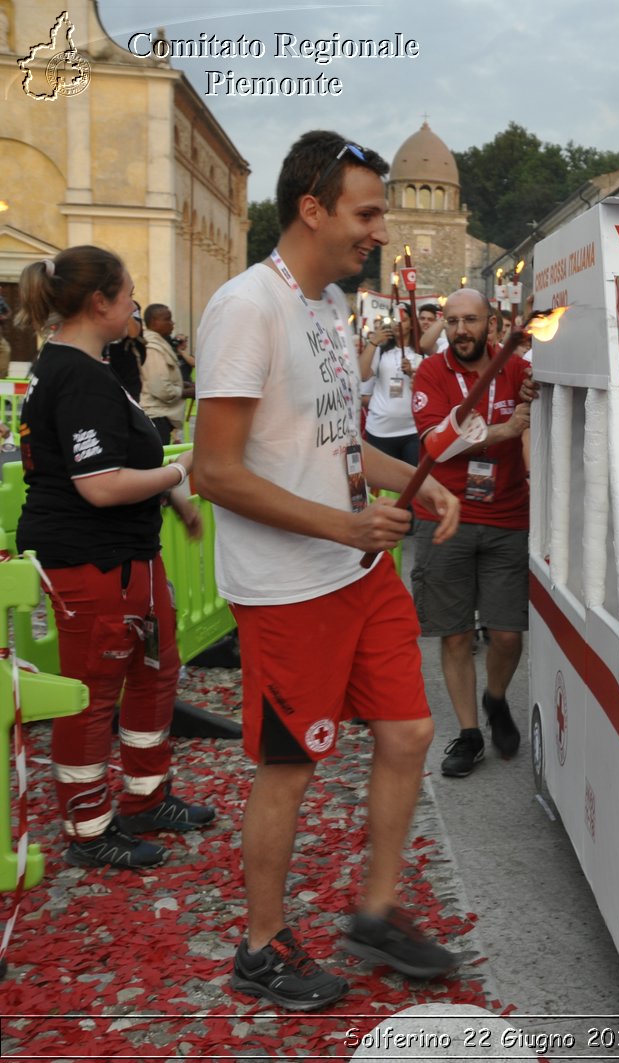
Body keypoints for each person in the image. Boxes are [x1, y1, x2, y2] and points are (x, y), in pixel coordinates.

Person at [192, 130, 463, 1011]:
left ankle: (376, 910)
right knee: (291, 765)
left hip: (357, 573)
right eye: (367, 212)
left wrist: (413, 488)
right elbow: (215, 472)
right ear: (312, 209)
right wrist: (348, 524)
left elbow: (336, 446)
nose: (380, 230)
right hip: (289, 589)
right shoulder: (248, 307)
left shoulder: (327, 307)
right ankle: (260, 945)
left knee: (410, 732)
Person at [14, 247, 212, 870]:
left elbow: (128, 462)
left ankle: (146, 797)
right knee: (95, 693)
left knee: (154, 672)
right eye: (128, 294)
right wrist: (182, 472)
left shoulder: (82, 367)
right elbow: (99, 484)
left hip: (127, 556)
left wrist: (173, 494)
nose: (135, 305)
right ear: (99, 302)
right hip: (93, 560)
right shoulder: (78, 376)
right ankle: (88, 826)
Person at [410, 288, 530, 778]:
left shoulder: (518, 370)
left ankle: (496, 698)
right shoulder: (431, 373)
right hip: (444, 514)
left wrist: (534, 403)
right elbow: (437, 444)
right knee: (456, 635)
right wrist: (502, 430)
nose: (461, 330)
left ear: (492, 324)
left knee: (506, 634)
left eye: (471, 320)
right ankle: (468, 734)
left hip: (507, 516)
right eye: (453, 321)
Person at [358, 305, 421, 466]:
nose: (397, 323)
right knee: (383, 488)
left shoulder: (421, 352)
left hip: (412, 431)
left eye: (403, 319)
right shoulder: (381, 351)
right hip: (380, 430)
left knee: (412, 485)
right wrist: (373, 342)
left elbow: (426, 392)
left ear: (412, 324)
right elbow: (362, 375)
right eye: (394, 319)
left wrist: (413, 374)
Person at [139, 303, 186, 444]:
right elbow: (160, 388)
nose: (172, 324)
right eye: (167, 319)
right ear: (154, 321)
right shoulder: (152, 348)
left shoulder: (160, 344)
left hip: (161, 417)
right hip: (155, 416)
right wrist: (183, 391)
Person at [101, 302, 144, 402]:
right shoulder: (96, 305)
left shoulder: (132, 307)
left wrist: (123, 305)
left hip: (127, 375)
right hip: (101, 371)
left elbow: (133, 332)